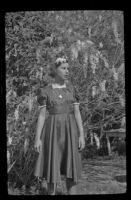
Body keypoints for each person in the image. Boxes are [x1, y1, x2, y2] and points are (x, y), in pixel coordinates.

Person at [34, 56, 85, 195]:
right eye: (63, 68)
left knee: (71, 174)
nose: (67, 71)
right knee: (52, 171)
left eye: (68, 68)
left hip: (70, 132)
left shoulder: (72, 89)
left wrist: (81, 135)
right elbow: (42, 115)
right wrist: (37, 138)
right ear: (55, 70)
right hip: (52, 133)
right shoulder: (46, 91)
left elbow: (77, 113)